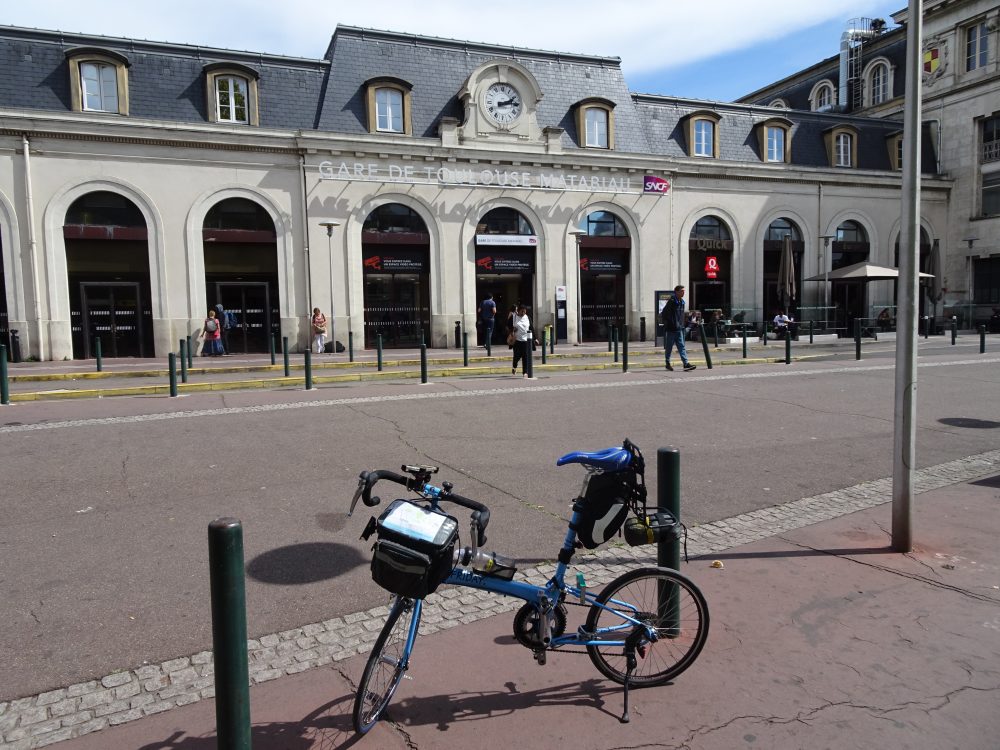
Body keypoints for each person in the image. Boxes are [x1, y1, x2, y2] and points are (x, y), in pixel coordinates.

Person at [661, 285, 696, 372]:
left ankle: (685, 363)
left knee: (681, 346)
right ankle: (667, 363)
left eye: (684, 291)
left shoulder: (682, 302)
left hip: (680, 329)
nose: (683, 292)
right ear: (676, 292)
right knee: (669, 347)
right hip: (672, 329)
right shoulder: (672, 302)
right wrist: (670, 323)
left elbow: (681, 316)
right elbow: (664, 313)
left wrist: (682, 325)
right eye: (681, 291)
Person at [510, 304, 535, 377]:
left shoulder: (527, 318)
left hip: (526, 340)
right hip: (517, 340)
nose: (523, 313)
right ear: (518, 311)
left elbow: (531, 328)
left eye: (524, 311)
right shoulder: (514, 317)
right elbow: (507, 326)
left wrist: (535, 338)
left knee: (525, 356)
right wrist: (512, 329)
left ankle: (525, 372)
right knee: (516, 357)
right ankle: (514, 367)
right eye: (522, 311)